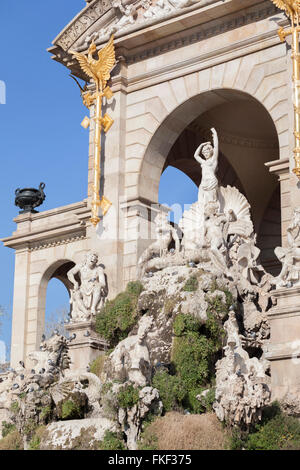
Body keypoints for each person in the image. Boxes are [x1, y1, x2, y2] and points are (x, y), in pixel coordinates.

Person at [68, 252, 106, 319]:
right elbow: (69, 273)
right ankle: (85, 312)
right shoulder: (80, 266)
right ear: (86, 258)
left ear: (96, 261)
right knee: (76, 294)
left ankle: (93, 308)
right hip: (83, 288)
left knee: (98, 287)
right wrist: (75, 282)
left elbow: (103, 283)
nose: (93, 260)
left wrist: (97, 283)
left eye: (94, 259)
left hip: (94, 287)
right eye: (91, 258)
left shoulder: (99, 269)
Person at [194, 127, 219, 205]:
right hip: (203, 183)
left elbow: (216, 146)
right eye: (204, 153)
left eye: (206, 151)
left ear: (210, 151)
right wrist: (202, 145)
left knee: (211, 203)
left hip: (211, 182)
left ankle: (212, 215)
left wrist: (215, 135)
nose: (205, 154)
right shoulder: (204, 162)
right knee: (202, 203)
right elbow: (196, 155)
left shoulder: (213, 160)